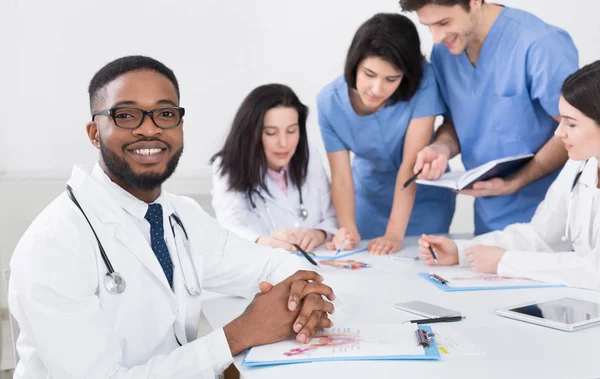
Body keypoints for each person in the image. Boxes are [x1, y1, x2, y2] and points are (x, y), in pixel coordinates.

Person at [8, 56, 336, 379]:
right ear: (95, 133)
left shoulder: (181, 216)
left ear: (179, 126)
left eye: (165, 114)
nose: (149, 129)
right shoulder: (54, 243)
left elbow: (271, 264)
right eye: (126, 115)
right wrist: (239, 334)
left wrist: (303, 298)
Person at [399, 0, 579, 235]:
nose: (436, 37)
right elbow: (457, 121)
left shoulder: (538, 44)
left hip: (550, 216)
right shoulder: (445, 53)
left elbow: (578, 129)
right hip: (489, 217)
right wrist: (441, 148)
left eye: (444, 22)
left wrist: (517, 181)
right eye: (428, 25)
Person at [418, 61, 600, 291]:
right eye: (561, 119)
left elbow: (596, 271)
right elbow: (540, 235)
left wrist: (506, 262)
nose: (558, 132)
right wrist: (462, 251)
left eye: (571, 124)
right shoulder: (581, 165)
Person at [316, 13, 456, 255]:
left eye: (391, 79)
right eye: (369, 74)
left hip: (422, 196)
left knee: (417, 266)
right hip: (368, 199)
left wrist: (393, 234)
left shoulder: (423, 82)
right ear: (354, 63)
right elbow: (341, 176)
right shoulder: (329, 102)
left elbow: (409, 165)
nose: (377, 89)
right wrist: (347, 229)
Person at [211, 84, 345, 253]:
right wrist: (264, 242)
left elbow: (332, 217)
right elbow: (229, 226)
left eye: (291, 131)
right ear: (252, 133)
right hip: (262, 266)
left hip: (316, 261)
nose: (283, 143)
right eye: (271, 133)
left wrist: (318, 234)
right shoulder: (228, 165)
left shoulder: (309, 155)